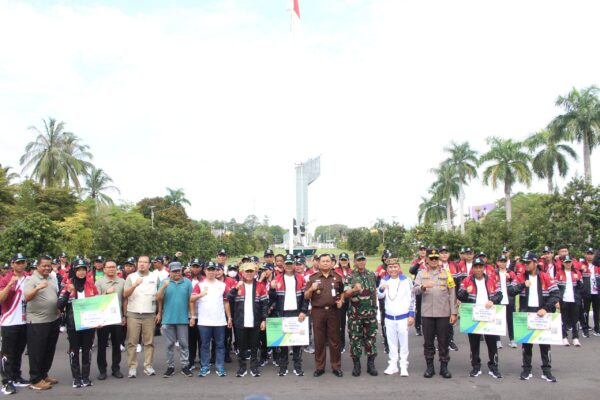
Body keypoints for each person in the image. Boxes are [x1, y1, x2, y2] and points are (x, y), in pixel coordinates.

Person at [509, 252, 560, 382]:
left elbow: (556, 294)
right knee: (527, 344)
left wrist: (546, 308)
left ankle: (546, 371)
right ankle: (526, 369)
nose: (526, 265)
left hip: (542, 312)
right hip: (526, 313)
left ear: (535, 262)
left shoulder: (545, 276)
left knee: (544, 344)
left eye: (528, 262)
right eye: (524, 262)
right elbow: (510, 291)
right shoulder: (521, 277)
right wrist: (522, 286)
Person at [413, 248, 457, 379]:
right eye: (431, 258)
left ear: (439, 260)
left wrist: (453, 313)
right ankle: (429, 367)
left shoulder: (447, 274)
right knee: (428, 342)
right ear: (426, 259)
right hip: (427, 314)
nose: (433, 261)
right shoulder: (421, 274)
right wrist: (422, 287)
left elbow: (452, 293)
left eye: (436, 258)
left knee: (444, 341)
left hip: (443, 313)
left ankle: (444, 367)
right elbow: (414, 290)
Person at [457, 257, 503, 379]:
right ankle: (476, 367)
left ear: (484, 268)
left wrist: (493, 301)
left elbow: (500, 295)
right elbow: (460, 296)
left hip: (489, 315)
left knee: (492, 343)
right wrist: (466, 292)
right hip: (473, 316)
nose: (478, 269)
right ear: (473, 268)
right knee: (474, 343)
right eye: (476, 267)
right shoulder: (467, 280)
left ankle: (494, 367)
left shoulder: (492, 280)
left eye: (480, 267)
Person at [58, 259, 99, 388]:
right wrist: (68, 292)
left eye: (83, 269)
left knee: (87, 350)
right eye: (78, 269)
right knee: (74, 351)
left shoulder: (91, 284)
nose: (81, 272)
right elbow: (59, 305)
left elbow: (97, 303)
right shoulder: (68, 285)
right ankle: (76, 378)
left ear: (87, 271)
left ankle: (85, 377)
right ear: (74, 271)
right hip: (72, 323)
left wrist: (99, 320)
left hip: (88, 323)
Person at [24, 255, 61, 390]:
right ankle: (35, 379)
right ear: (37, 266)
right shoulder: (32, 279)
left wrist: (57, 307)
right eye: (44, 265)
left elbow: (54, 295)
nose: (47, 267)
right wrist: (38, 287)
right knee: (37, 351)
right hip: (38, 321)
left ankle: (44, 375)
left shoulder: (52, 277)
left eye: (48, 265)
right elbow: (27, 297)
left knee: (49, 350)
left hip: (53, 319)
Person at [304, 253, 345, 378]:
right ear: (318, 263)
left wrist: (341, 301)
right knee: (319, 340)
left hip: (333, 312)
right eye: (323, 261)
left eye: (328, 261)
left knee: (334, 341)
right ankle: (320, 367)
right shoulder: (312, 278)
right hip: (318, 312)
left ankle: (336, 367)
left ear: (332, 263)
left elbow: (342, 292)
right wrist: (311, 289)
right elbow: (306, 296)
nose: (326, 263)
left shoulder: (337, 277)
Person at [189, 262, 232, 377]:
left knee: (220, 345)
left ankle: (220, 366)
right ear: (205, 271)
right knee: (204, 345)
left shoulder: (222, 285)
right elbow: (192, 299)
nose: (211, 272)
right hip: (204, 321)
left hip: (219, 320)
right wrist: (200, 295)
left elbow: (226, 302)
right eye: (209, 269)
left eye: (213, 269)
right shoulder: (199, 285)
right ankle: (205, 366)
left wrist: (229, 318)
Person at [269, 254, 308, 376]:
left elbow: (305, 298)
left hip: (297, 313)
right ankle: (283, 367)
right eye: (287, 264)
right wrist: (272, 289)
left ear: (294, 265)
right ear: (284, 265)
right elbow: (272, 299)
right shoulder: (277, 279)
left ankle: (297, 366)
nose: (289, 266)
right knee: (283, 343)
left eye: (291, 264)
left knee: (297, 343)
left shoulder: (301, 279)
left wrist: (303, 311)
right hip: (282, 312)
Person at [228, 263, 268, 377]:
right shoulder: (237, 284)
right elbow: (229, 298)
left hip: (255, 321)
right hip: (240, 321)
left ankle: (254, 367)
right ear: (242, 272)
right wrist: (236, 289)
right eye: (247, 271)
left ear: (255, 272)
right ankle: (242, 367)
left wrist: (264, 320)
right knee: (241, 346)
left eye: (251, 271)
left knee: (255, 346)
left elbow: (265, 304)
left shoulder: (260, 285)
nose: (249, 273)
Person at [377, 253, 415, 376]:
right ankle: (393, 364)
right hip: (389, 317)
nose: (393, 269)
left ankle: (403, 365)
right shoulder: (384, 280)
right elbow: (380, 296)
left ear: (399, 268)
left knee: (403, 343)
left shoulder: (406, 280)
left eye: (395, 267)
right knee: (391, 342)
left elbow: (412, 299)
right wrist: (382, 289)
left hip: (403, 317)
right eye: (391, 267)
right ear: (387, 269)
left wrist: (411, 315)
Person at [123, 255, 160, 378]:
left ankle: (148, 366)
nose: (142, 264)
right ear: (137, 264)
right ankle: (132, 367)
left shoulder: (155, 277)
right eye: (140, 262)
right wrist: (134, 285)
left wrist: (159, 312)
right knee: (132, 342)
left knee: (149, 342)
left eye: (145, 262)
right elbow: (125, 294)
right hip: (133, 314)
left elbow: (160, 297)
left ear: (149, 265)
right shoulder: (131, 277)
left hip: (149, 314)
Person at [344, 251, 379, 377]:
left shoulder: (372, 275)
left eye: (363, 259)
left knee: (371, 339)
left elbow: (374, 292)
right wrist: (354, 290)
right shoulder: (349, 276)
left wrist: (375, 309)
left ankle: (371, 365)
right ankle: (356, 365)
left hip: (371, 314)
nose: (361, 262)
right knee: (355, 340)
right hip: (355, 315)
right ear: (354, 262)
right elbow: (345, 294)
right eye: (358, 260)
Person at [0, 254, 30, 394]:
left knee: (19, 351)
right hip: (9, 322)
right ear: (12, 264)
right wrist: (10, 285)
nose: (20, 265)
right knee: (8, 354)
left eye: (22, 262)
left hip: (24, 321)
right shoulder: (6, 279)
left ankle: (16, 376)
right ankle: (6, 382)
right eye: (17, 263)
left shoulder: (28, 278)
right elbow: (1, 299)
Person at [157, 261, 193, 378]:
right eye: (174, 271)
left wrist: (192, 316)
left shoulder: (187, 282)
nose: (177, 273)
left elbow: (190, 300)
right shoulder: (164, 282)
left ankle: (185, 366)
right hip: (168, 319)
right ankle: (170, 367)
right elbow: (158, 298)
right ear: (170, 272)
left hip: (182, 318)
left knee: (184, 344)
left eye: (179, 270)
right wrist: (163, 287)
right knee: (169, 345)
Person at [95, 259, 126, 380]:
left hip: (117, 318)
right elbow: (95, 300)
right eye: (109, 267)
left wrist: (124, 316)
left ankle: (116, 369)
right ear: (104, 269)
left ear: (116, 269)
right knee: (102, 345)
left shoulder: (122, 282)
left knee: (117, 344)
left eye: (113, 267)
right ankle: (102, 370)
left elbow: (124, 300)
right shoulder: (99, 282)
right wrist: (106, 292)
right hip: (103, 318)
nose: (111, 269)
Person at [556, 255, 583, 346]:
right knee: (564, 319)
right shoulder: (559, 273)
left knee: (575, 320)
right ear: (563, 263)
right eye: (566, 262)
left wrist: (578, 280)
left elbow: (581, 287)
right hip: (564, 299)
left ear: (572, 262)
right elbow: (557, 288)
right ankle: (564, 337)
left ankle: (575, 337)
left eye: (569, 262)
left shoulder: (577, 273)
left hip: (575, 300)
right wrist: (557, 300)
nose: (568, 264)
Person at [495, 255, 517, 348]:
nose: (502, 263)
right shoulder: (494, 273)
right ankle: (497, 340)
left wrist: (510, 278)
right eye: (501, 261)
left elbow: (516, 285)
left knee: (510, 321)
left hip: (509, 300)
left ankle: (512, 340)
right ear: (498, 262)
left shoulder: (511, 272)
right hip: (498, 300)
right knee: (497, 320)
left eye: (504, 261)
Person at [186, 258, 203, 370]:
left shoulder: (204, 280)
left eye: (197, 266)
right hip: (189, 314)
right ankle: (191, 361)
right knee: (191, 340)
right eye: (193, 266)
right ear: (190, 267)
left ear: (201, 268)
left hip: (202, 314)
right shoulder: (186, 280)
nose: (195, 269)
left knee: (202, 340)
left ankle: (203, 360)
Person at [579, 248, 600, 337]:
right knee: (585, 311)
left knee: (596, 311)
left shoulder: (597, 265)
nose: (590, 255)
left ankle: (597, 328)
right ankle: (585, 328)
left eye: (591, 254)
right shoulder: (582, 265)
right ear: (585, 255)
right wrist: (581, 269)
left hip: (596, 292)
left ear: (594, 255)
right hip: (586, 292)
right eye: (588, 254)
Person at [409, 245, 428, 336]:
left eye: (424, 250)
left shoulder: (430, 260)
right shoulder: (416, 261)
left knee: (428, 307)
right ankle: (418, 327)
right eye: (421, 250)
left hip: (429, 286)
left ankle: (427, 327)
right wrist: (419, 263)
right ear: (418, 252)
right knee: (419, 308)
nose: (423, 252)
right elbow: (411, 271)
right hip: (419, 287)